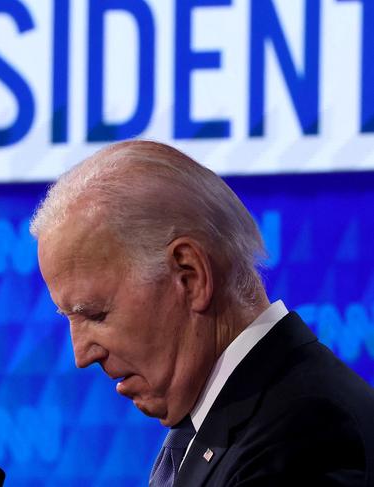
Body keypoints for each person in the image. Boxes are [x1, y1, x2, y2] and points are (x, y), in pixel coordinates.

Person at [30, 140, 374, 486]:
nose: (81, 355)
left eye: (95, 314)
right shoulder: (212, 423)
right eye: (68, 318)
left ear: (189, 276)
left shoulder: (305, 433)